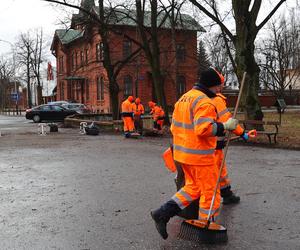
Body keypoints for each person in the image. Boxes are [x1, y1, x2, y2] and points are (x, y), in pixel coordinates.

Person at [150, 68, 239, 240]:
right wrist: (225, 126)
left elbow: (175, 128)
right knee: (211, 192)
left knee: (193, 188)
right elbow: (203, 129)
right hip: (200, 156)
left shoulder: (184, 98)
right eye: (217, 88)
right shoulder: (204, 102)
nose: (218, 92)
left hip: (183, 155)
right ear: (211, 86)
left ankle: (162, 213)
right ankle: (207, 226)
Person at [212, 72, 249, 204]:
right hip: (214, 143)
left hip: (207, 143)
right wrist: (241, 133)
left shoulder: (202, 97)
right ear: (219, 84)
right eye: (222, 83)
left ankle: (226, 194)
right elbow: (228, 120)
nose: (222, 85)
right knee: (215, 172)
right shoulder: (217, 100)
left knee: (221, 170)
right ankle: (210, 201)